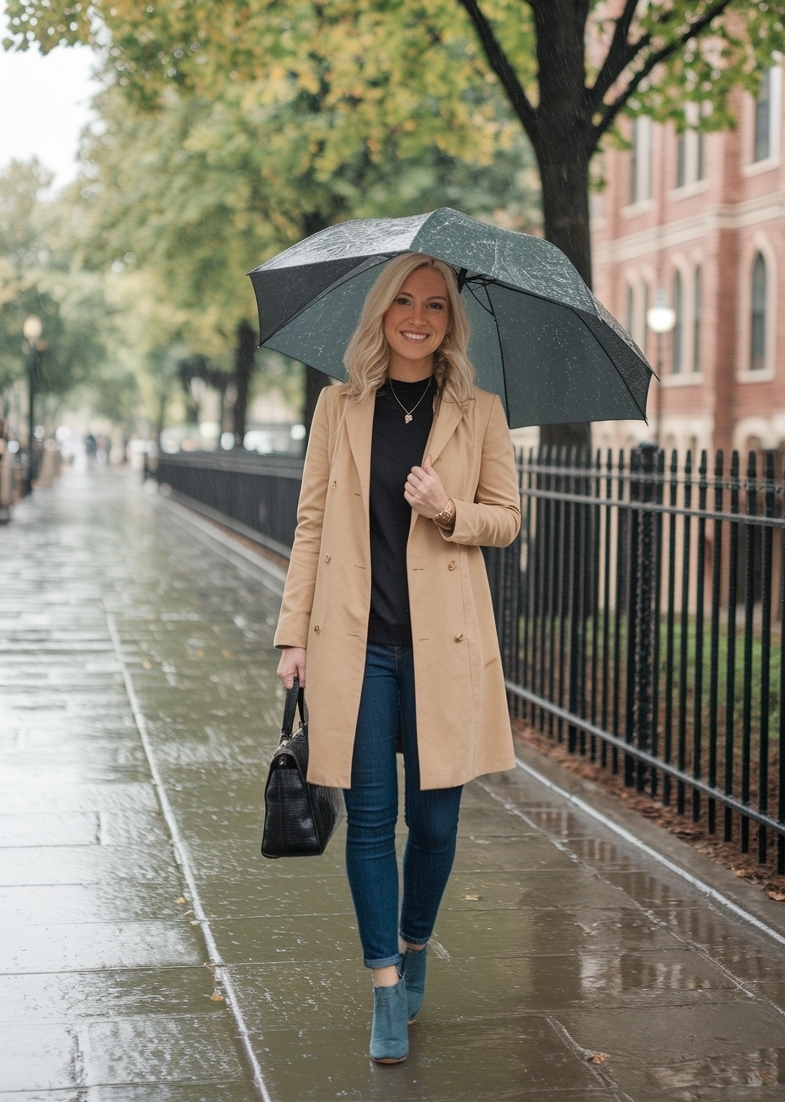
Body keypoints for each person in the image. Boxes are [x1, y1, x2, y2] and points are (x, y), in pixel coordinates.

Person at [275, 252, 520, 1065]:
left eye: (436, 306)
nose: (418, 317)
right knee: (372, 822)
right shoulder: (339, 407)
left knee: (439, 822)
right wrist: (291, 637)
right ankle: (386, 984)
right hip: (359, 643)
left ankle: (416, 941)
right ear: (381, 314)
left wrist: (449, 510)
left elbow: (508, 520)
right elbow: (311, 525)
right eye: (404, 303)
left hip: (444, 643)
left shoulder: (479, 410)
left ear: (452, 322)